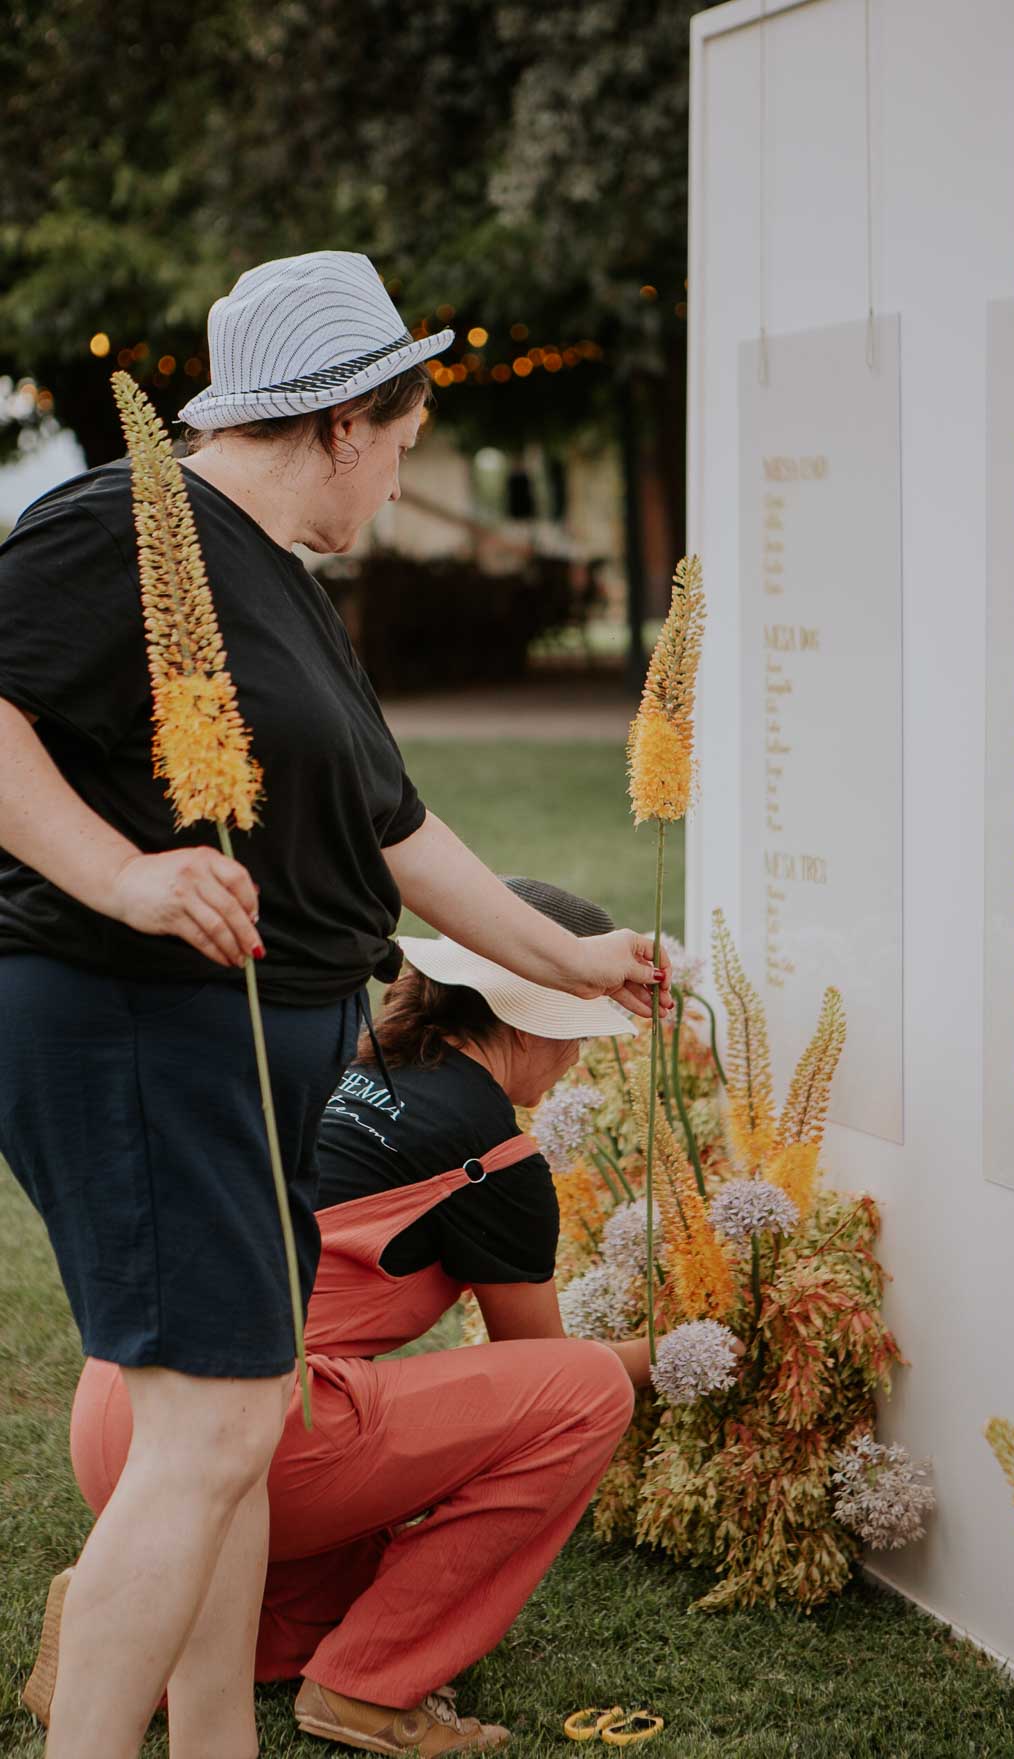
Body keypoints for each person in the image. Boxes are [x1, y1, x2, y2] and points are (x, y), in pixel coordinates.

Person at [0, 250, 671, 1759]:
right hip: (134, 1025)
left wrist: (572, 962)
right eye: (405, 446)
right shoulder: (128, 522)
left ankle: (219, 1739)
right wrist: (121, 874)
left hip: (255, 1050)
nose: (394, 482)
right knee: (218, 1426)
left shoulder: (283, 588)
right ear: (342, 423)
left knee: (234, 1423)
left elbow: (394, 831)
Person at [62, 879, 651, 1756]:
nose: (574, 1065)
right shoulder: (494, 1153)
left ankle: (114, 1617)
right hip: (252, 1436)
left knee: (343, 1544)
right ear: (533, 1026)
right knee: (589, 1389)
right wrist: (668, 1351)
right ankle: (368, 1688)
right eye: (576, 1044)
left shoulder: (340, 1053)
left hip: (126, 1405)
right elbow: (542, 1365)